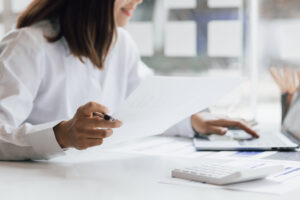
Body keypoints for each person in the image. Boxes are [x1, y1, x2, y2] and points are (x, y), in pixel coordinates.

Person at [0, 0, 258, 161]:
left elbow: (146, 103)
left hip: (95, 178)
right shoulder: (27, 45)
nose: (139, 0)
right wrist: (62, 135)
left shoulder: (120, 43)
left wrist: (193, 119)